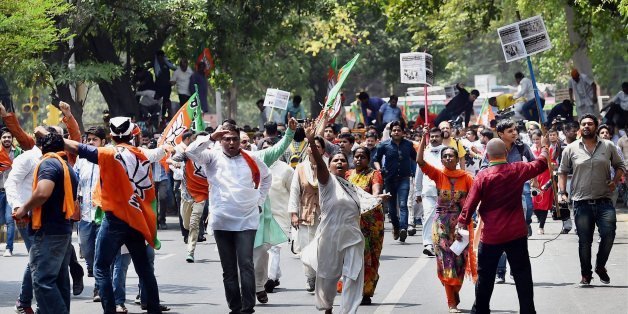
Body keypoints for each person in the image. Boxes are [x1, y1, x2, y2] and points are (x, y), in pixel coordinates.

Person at [60, 117, 166, 313]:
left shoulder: (107, 153)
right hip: (136, 219)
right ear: (131, 134)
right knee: (144, 269)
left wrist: (56, 139)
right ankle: (153, 308)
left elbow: (77, 148)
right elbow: (161, 151)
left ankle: (110, 309)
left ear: (111, 136)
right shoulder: (142, 153)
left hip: (114, 220)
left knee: (101, 267)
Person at [185, 123, 272, 314]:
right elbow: (191, 152)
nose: (231, 143)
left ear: (240, 140)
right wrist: (210, 137)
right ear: (221, 140)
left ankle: (248, 308)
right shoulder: (211, 156)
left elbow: (267, 177)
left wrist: (260, 199)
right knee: (229, 269)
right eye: (227, 139)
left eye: (235, 139)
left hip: (247, 219)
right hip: (222, 220)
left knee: (246, 264)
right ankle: (235, 307)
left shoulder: (252, 158)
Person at [458, 138, 549, 314]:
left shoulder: (483, 176)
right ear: (506, 153)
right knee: (522, 274)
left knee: (485, 276)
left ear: (487, 155)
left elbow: (469, 205)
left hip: (492, 235)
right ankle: (528, 311)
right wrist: (544, 147)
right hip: (516, 232)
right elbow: (541, 164)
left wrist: (461, 223)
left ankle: (481, 310)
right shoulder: (518, 169)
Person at [301, 121, 381, 314]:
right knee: (328, 277)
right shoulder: (327, 182)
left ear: (348, 166)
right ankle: (327, 306)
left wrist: (379, 198)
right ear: (328, 167)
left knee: (354, 276)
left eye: (342, 160)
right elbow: (320, 163)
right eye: (335, 160)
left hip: (353, 237)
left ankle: (348, 311)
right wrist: (311, 141)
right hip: (329, 236)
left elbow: (367, 201)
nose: (339, 162)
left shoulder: (353, 187)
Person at [13, 131, 79, 314]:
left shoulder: (49, 162)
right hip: (62, 229)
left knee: (42, 281)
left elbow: (43, 192)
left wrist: (23, 209)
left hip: (49, 230)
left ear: (42, 148)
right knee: (59, 280)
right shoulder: (66, 165)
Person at [558, 114, 625, 286]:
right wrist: (562, 192)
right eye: (584, 124)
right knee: (585, 241)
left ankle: (600, 266)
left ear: (596, 126)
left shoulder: (608, 146)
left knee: (609, 235)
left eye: (590, 124)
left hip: (604, 201)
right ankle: (586, 274)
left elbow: (620, 166)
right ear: (580, 127)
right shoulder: (570, 149)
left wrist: (615, 181)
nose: (587, 126)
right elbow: (562, 171)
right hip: (581, 203)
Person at [417, 125, 476, 313]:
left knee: (459, 264)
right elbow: (419, 161)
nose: (448, 158)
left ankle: (454, 292)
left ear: (457, 159)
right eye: (445, 156)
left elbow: (474, 200)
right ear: (441, 159)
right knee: (446, 262)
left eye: (451, 156)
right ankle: (451, 303)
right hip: (441, 225)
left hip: (461, 226)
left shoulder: (467, 177)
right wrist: (424, 137)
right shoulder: (438, 174)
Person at [480, 119, 535, 283]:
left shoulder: (522, 147)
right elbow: (483, 169)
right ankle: (501, 270)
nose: (514, 133)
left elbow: (533, 164)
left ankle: (516, 268)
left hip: (520, 192)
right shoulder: (492, 148)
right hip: (498, 198)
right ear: (500, 134)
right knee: (502, 233)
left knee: (518, 233)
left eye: (515, 130)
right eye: (510, 131)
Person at [345, 147, 385, 305]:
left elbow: (376, 191)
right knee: (352, 255)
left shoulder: (374, 174)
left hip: (372, 221)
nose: (358, 159)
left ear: (368, 159)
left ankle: (366, 291)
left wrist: (375, 197)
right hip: (351, 220)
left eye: (362, 157)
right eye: (356, 156)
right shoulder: (348, 174)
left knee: (370, 256)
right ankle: (351, 288)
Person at [288, 136, 326, 292]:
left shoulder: (329, 166)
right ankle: (310, 276)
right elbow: (294, 191)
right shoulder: (301, 168)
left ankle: (322, 277)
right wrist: (293, 213)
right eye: (311, 145)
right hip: (306, 212)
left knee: (323, 247)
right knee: (307, 248)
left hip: (325, 213)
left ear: (323, 150)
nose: (314, 148)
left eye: (318, 146)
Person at [74, 126, 106, 301]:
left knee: (101, 252)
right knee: (87, 250)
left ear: (103, 142)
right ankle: (93, 270)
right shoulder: (81, 160)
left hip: (103, 214)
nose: (91, 142)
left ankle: (98, 289)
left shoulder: (108, 158)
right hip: (85, 214)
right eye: (89, 139)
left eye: (95, 139)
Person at [374, 121, 417, 242]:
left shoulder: (408, 145)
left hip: (404, 178)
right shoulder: (384, 145)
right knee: (392, 207)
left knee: (403, 204)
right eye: (394, 130)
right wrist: (379, 170)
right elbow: (376, 159)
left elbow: (416, 158)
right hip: (389, 179)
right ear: (391, 132)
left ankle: (403, 228)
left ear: (403, 132)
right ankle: (396, 226)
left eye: (399, 130)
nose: (396, 132)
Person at [415, 127, 446, 256]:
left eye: (436, 136)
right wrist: (417, 191)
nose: (434, 139)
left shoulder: (448, 152)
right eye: (432, 136)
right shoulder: (424, 153)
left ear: (442, 138)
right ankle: (428, 244)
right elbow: (419, 173)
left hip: (444, 191)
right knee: (428, 216)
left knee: (443, 219)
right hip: (428, 191)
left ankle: (442, 243)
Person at [0, 126, 22, 257]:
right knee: (1, 219)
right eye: (4, 137)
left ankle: (9, 248)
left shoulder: (19, 153)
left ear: (12, 139)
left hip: (12, 192)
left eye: (9, 137)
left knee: (10, 219)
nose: (7, 139)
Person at [529, 130, 554, 235]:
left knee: (543, 202)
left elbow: (553, 162)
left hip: (546, 178)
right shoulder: (531, 149)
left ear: (542, 139)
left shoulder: (549, 149)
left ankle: (541, 226)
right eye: (534, 139)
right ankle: (540, 219)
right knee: (534, 203)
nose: (536, 141)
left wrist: (552, 164)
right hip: (534, 178)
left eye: (538, 139)